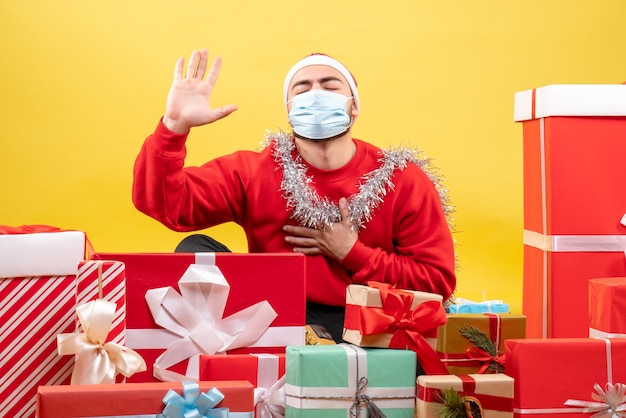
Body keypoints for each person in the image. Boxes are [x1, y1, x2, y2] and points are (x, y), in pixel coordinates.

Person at [132, 48, 457, 343]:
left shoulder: (402, 180)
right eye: (302, 88)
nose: (316, 95)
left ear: (354, 106)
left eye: (330, 86)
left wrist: (352, 252)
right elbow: (167, 205)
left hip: (362, 323)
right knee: (194, 251)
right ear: (289, 110)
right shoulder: (254, 171)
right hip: (269, 312)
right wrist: (173, 128)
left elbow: (436, 283)